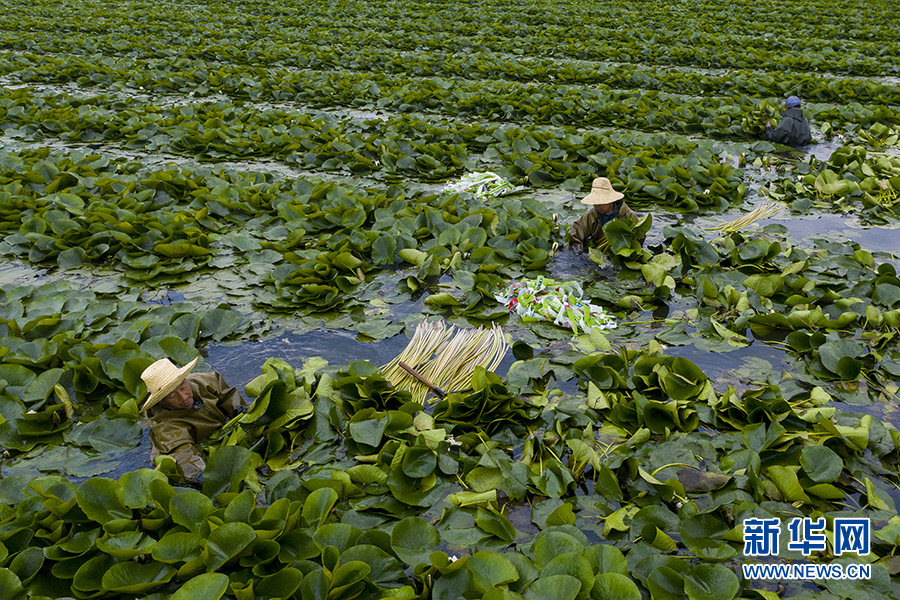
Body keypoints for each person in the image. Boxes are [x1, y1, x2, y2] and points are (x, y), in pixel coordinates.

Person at [140, 357, 246, 485]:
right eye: (172, 396)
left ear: (185, 379)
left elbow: (228, 395)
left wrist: (239, 410)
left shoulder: (204, 380)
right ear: (161, 401)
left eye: (183, 387)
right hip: (180, 448)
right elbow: (185, 456)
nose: (184, 397)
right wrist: (206, 478)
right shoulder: (166, 426)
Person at [568, 177, 639, 253]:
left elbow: (639, 238)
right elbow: (577, 233)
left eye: (600, 202)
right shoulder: (591, 216)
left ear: (610, 201)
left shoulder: (629, 215)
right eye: (595, 202)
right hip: (599, 251)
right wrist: (579, 253)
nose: (597, 206)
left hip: (621, 253)